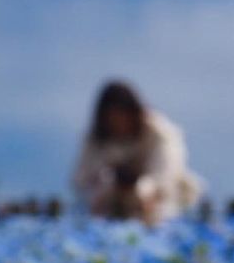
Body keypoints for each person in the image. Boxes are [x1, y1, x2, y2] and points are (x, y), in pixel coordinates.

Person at [72, 80, 202, 223]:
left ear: (133, 113)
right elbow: (82, 179)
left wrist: (144, 190)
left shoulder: (160, 133)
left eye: (122, 117)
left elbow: (165, 175)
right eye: (112, 119)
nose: (118, 124)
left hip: (159, 206)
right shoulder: (95, 139)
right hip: (107, 205)